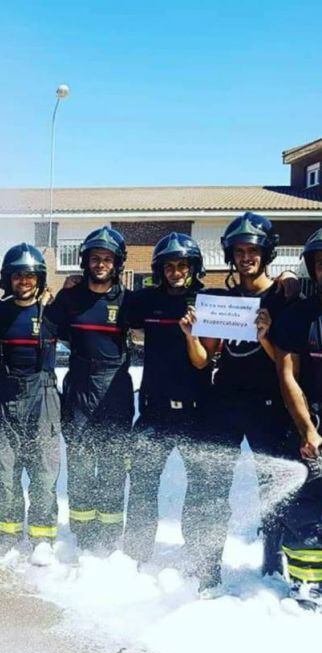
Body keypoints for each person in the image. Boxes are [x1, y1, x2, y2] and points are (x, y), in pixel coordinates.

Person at [184, 212, 297, 584]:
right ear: (230, 255)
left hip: (269, 404)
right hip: (225, 401)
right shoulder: (221, 300)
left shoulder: (284, 297)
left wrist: (265, 336)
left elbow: (287, 363)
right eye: (239, 251)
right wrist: (192, 335)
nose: (246, 257)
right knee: (212, 485)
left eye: (253, 250)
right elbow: (203, 360)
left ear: (267, 253)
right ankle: (208, 568)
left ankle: (273, 565)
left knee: (274, 487)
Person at [124, 233, 228, 582]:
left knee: (201, 490)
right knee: (142, 486)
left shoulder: (209, 302)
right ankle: (135, 556)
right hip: (154, 411)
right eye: (169, 266)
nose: (176, 272)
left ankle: (203, 565)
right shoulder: (146, 301)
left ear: (194, 267)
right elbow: (108, 297)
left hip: (197, 413)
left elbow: (203, 361)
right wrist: (73, 286)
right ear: (159, 269)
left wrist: (288, 280)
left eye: (183, 265)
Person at [53, 227, 134, 554]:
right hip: (79, 390)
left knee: (113, 465)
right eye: (95, 258)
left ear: (117, 263)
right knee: (81, 466)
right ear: (85, 261)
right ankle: (83, 532)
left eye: (107, 259)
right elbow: (47, 327)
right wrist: (58, 290)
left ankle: (110, 533)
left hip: (115, 390)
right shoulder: (69, 298)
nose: (101, 264)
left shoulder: (128, 300)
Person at [0, 243, 61, 566]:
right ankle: (7, 534)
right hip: (6, 396)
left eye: (30, 276)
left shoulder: (53, 312)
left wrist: (69, 286)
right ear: (8, 279)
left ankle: (42, 538)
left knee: (44, 471)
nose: (24, 281)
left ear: (40, 279)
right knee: (5, 472)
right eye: (17, 276)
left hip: (43, 397)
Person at [271, 227, 322, 605]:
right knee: (307, 508)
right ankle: (307, 586)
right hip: (312, 423)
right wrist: (308, 430)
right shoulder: (299, 316)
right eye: (321, 263)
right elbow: (288, 375)